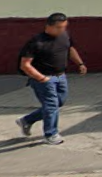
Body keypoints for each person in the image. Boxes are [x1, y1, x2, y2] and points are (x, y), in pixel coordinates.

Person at [15, 13, 87, 145]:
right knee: (51, 105)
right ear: (48, 26)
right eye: (59, 27)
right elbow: (25, 65)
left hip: (61, 76)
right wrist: (42, 78)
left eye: (64, 27)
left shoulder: (64, 36)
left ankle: (27, 120)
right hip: (43, 78)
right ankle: (51, 134)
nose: (62, 30)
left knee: (59, 102)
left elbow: (70, 49)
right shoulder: (36, 42)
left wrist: (80, 63)